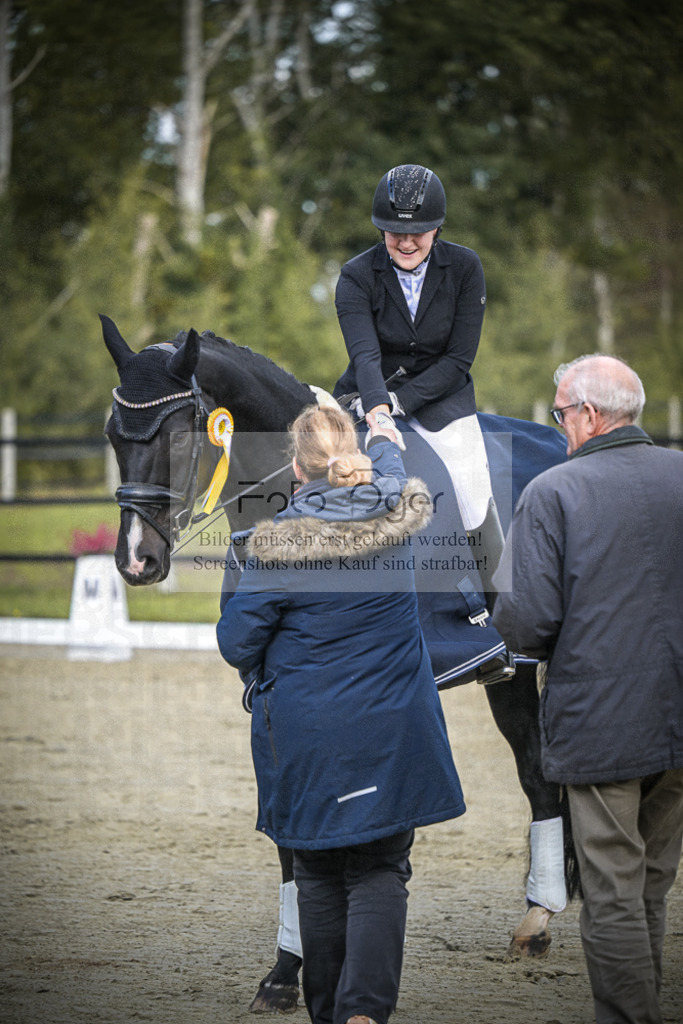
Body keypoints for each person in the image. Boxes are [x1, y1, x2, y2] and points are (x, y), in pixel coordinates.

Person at [216, 404, 466, 1024]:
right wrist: (382, 438)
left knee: (318, 872)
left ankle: (328, 1012)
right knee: (382, 868)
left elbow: (236, 644)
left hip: (312, 736)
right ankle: (365, 1012)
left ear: (295, 469)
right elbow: (385, 465)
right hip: (394, 726)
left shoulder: (275, 543)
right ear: (353, 456)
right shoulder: (398, 510)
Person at [491, 354, 683, 1024]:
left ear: (589, 416)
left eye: (559, 414)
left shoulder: (551, 492)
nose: (557, 427)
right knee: (651, 884)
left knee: (611, 894)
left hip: (602, 722)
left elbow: (523, 620)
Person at [332, 163, 504, 595]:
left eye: (418, 233)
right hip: (366, 392)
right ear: (380, 229)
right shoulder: (356, 275)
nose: (406, 242)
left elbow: (459, 358)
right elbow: (365, 355)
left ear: (437, 227)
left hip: (442, 395)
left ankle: (501, 599)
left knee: (469, 486)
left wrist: (399, 403)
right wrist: (378, 410)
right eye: (394, 233)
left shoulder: (465, 268)